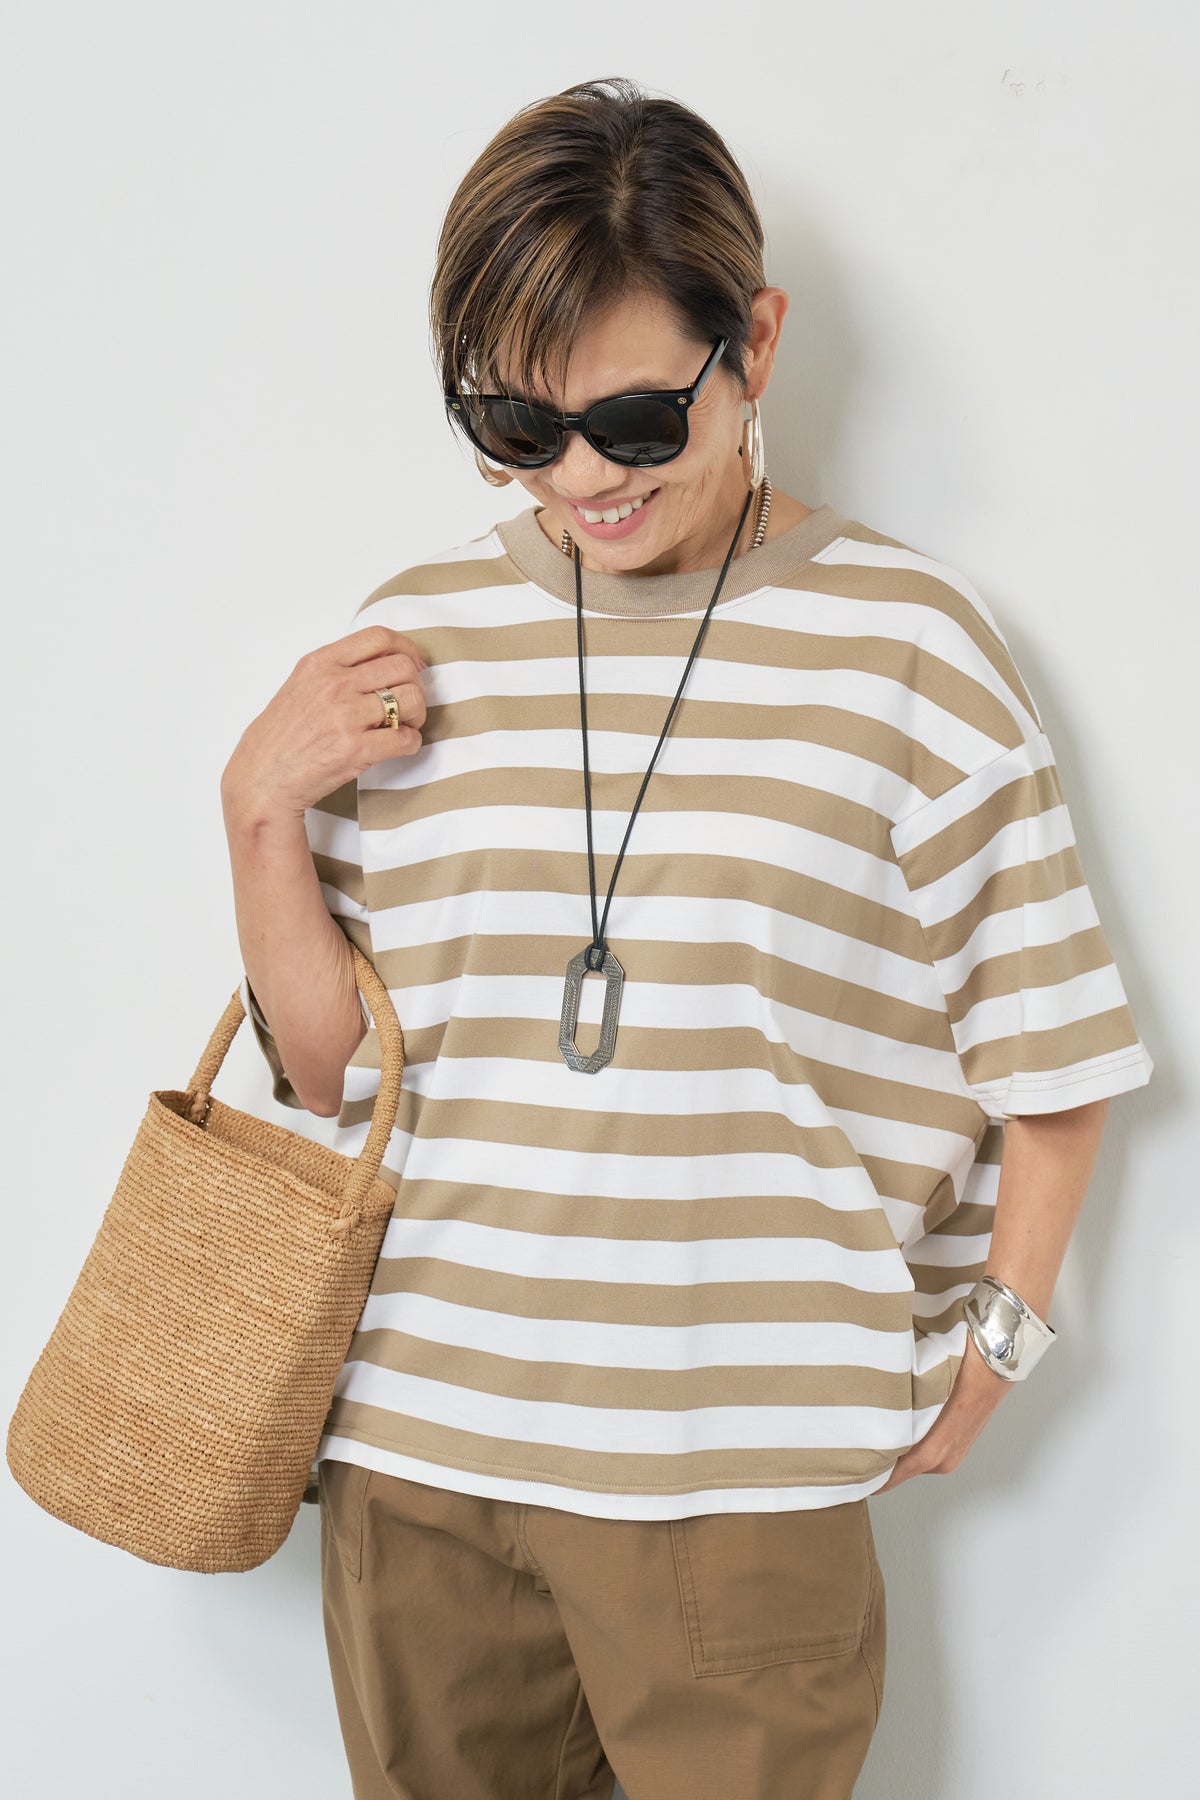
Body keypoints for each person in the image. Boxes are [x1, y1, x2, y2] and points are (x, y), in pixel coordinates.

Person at [219, 76, 1155, 1800]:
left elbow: (1054, 1048)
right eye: (518, 426)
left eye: (640, 421)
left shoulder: (911, 649)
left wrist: (1005, 1340)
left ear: (757, 345)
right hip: (419, 1462)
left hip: (739, 1480)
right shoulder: (412, 638)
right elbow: (330, 1071)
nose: (583, 478)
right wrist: (258, 812)